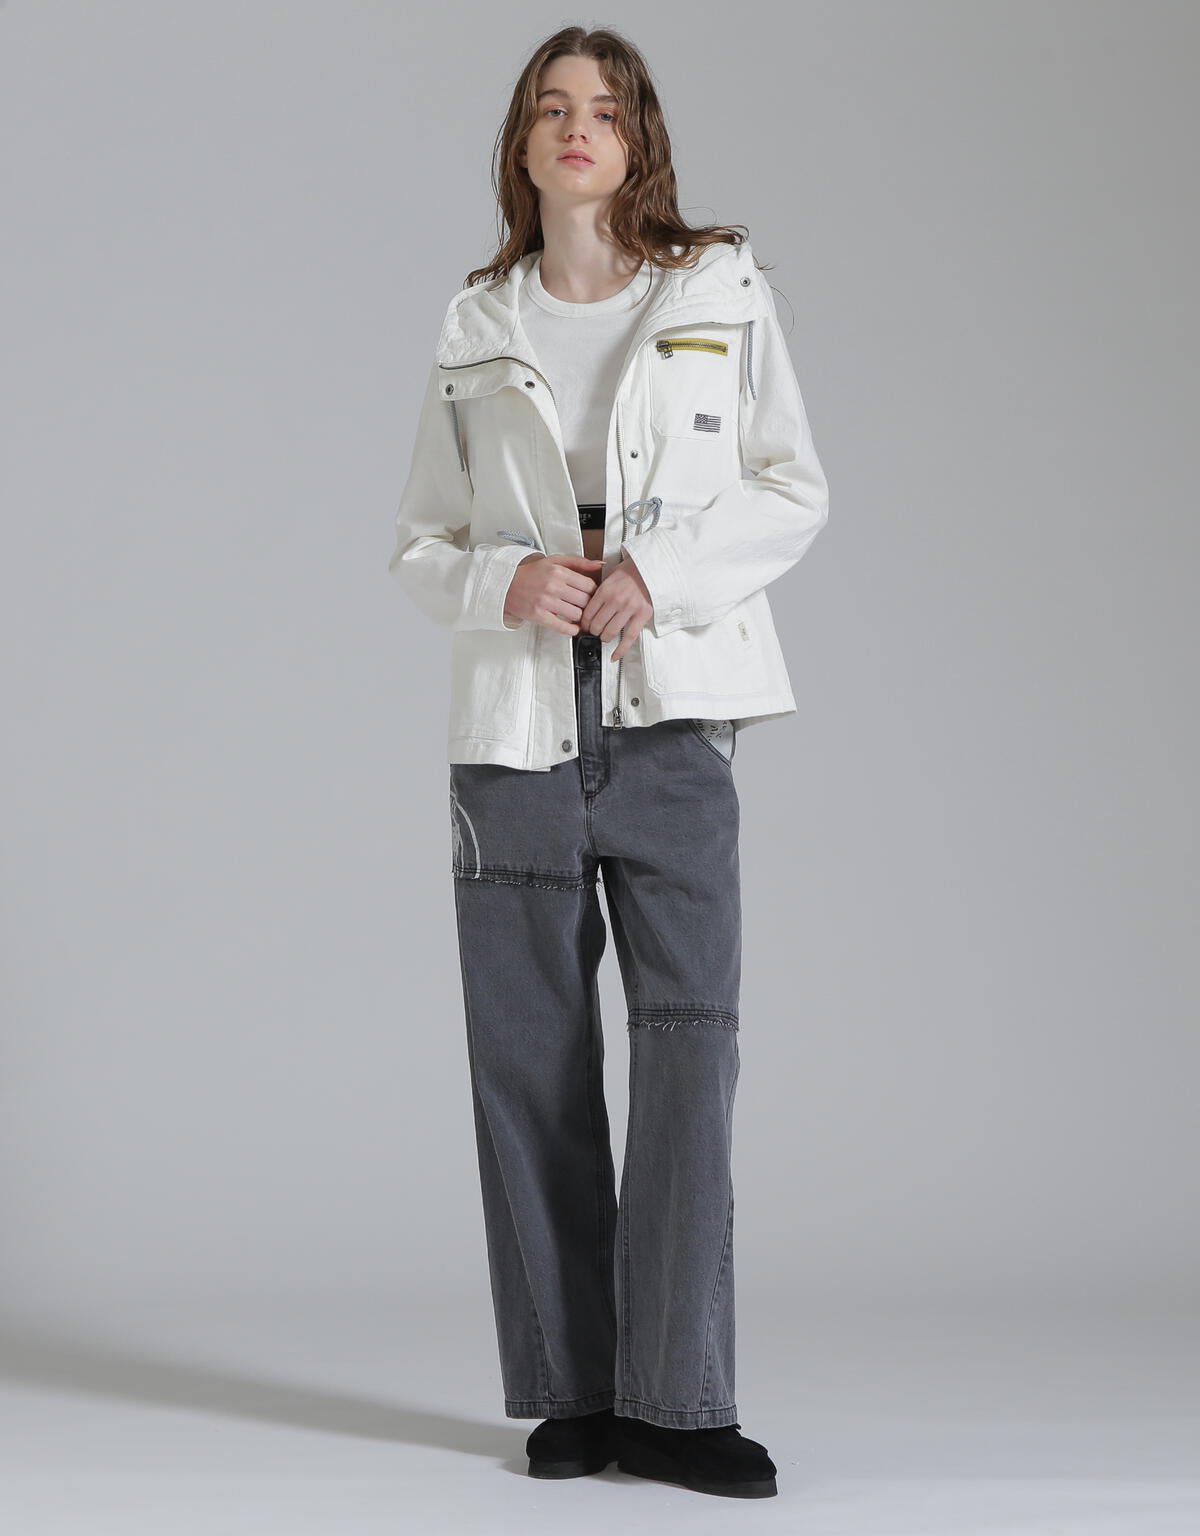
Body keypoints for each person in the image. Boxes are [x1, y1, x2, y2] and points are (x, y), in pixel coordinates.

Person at [388, 25, 827, 1501]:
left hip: (673, 710)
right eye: (552, 108)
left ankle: (679, 1403)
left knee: (690, 1044)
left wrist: (662, 573)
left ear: (639, 141)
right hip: (515, 723)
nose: (579, 128)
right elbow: (419, 542)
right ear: (522, 143)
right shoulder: (477, 321)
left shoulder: (717, 292)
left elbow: (791, 488)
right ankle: (574, 1397)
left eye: (607, 109)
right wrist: (506, 577)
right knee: (530, 1060)